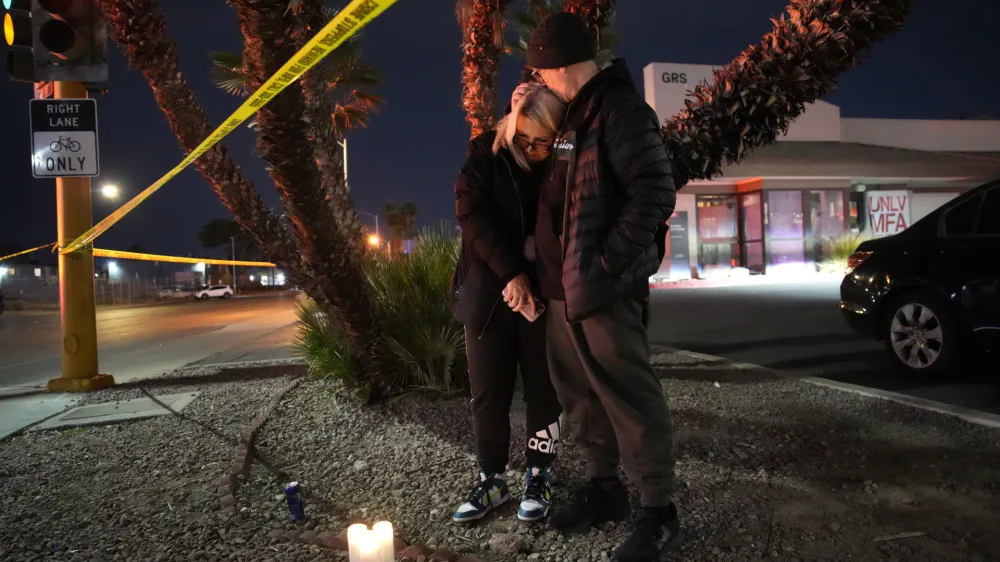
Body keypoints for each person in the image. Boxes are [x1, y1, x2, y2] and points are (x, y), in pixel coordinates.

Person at [525, 11, 682, 561]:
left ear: (561, 65)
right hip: (562, 290)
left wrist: (608, 266)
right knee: (582, 401)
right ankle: (605, 489)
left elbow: (656, 193)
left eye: (541, 72)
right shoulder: (574, 115)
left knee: (630, 400)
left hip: (601, 291)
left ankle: (659, 514)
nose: (539, 80)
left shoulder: (619, 111)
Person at [448, 82, 567, 524]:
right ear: (511, 124)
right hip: (488, 293)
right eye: (524, 139)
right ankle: (491, 479)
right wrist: (511, 273)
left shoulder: (561, 161)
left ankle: (540, 474)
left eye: (543, 142)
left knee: (544, 388)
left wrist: (533, 278)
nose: (533, 149)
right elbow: (471, 213)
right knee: (488, 394)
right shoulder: (486, 153)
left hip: (542, 294)